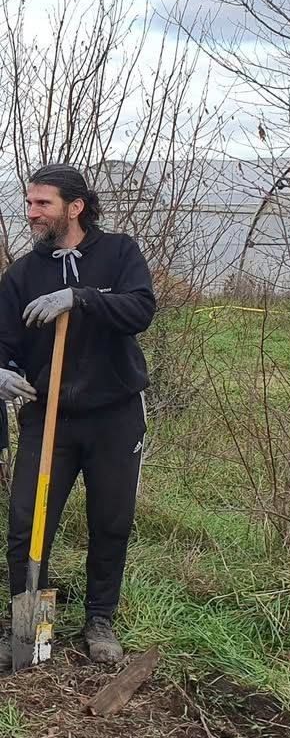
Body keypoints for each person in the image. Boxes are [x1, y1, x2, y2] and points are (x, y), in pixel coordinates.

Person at [0, 163, 156, 670]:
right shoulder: (23, 275)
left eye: (42, 203)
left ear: (75, 206)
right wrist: (0, 371)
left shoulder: (119, 253)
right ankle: (30, 627)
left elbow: (140, 310)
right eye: (29, 203)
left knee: (110, 520)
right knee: (28, 522)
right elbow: (4, 341)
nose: (31, 212)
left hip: (114, 414)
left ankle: (99, 620)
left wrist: (81, 298)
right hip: (49, 418)